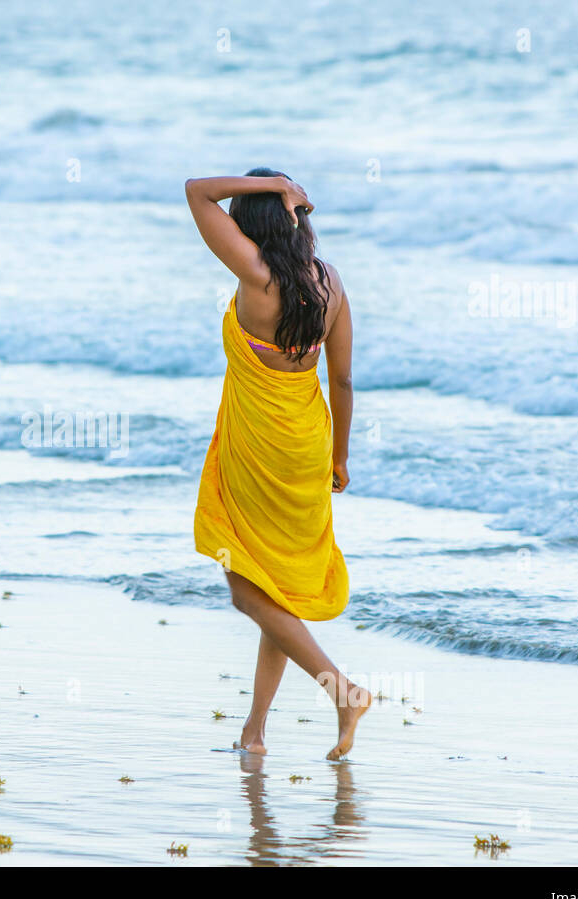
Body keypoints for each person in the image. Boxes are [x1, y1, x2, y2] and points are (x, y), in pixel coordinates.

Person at [187, 169, 369, 759]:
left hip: (260, 446)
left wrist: (270, 186)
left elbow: (195, 190)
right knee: (276, 588)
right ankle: (255, 732)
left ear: (255, 220)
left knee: (246, 590)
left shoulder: (255, 276)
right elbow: (341, 378)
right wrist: (340, 457)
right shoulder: (330, 284)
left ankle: (341, 691)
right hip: (309, 443)